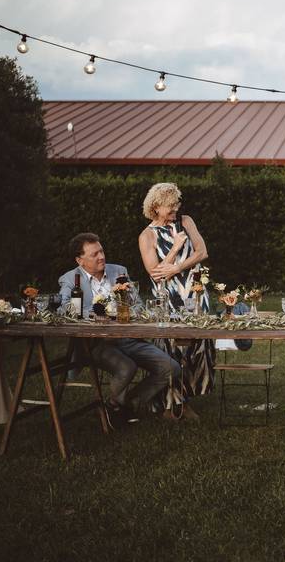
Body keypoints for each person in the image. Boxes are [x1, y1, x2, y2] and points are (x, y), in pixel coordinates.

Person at [59, 232, 181, 427]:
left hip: (127, 338)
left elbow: (138, 305)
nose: (101, 257)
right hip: (96, 343)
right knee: (127, 367)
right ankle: (120, 408)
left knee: (171, 369)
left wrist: (125, 311)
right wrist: (101, 312)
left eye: (102, 251)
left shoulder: (118, 271)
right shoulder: (69, 279)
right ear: (79, 260)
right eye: (94, 254)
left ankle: (121, 403)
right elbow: (65, 309)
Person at [138, 182, 219, 420]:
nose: (175, 210)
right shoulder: (147, 236)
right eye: (170, 206)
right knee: (172, 350)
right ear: (155, 207)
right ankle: (169, 406)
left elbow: (202, 252)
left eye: (177, 204)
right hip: (168, 299)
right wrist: (175, 248)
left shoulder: (186, 221)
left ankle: (185, 402)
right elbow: (155, 273)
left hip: (194, 295)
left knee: (197, 347)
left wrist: (175, 269)